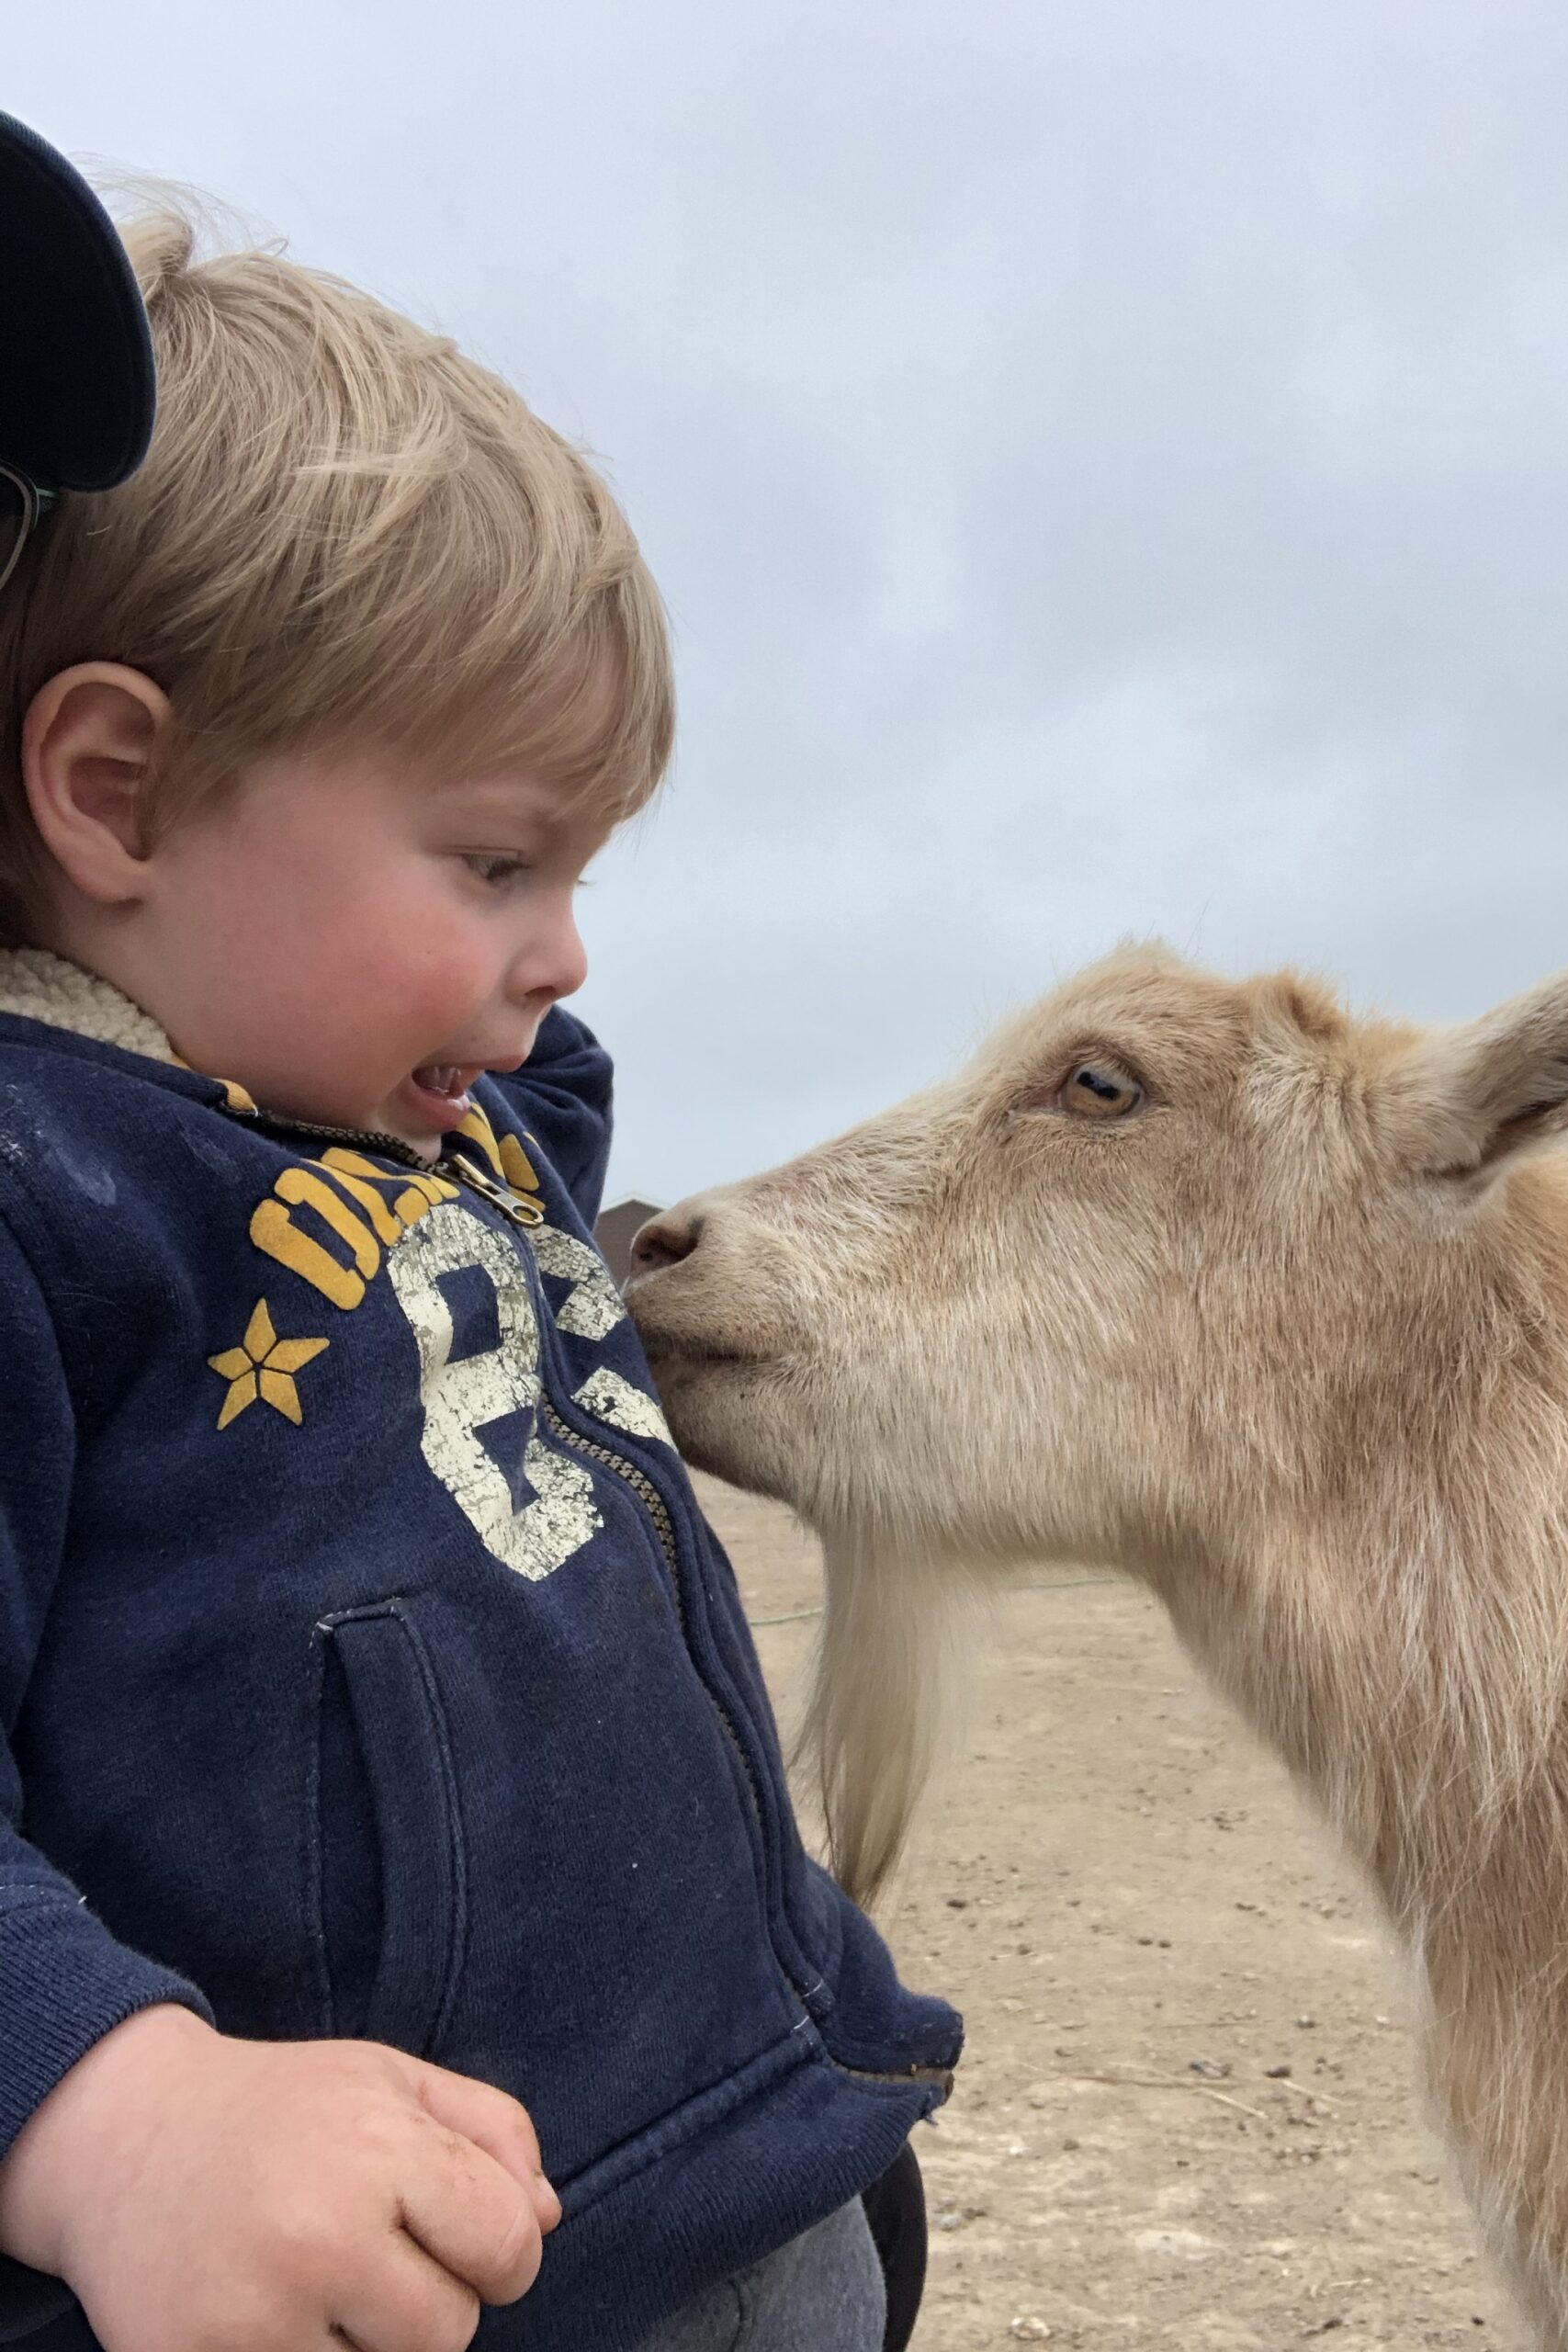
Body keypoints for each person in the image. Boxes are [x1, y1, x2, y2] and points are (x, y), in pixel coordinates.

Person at [0, 113, 956, 2352]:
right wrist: (120, 2111)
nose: (564, 959)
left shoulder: (446, 1123)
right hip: (423, 2289)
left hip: (755, 2161)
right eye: (499, 858)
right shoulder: (50, 1196)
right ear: (117, 794)